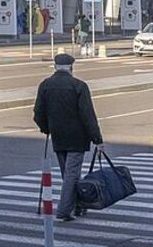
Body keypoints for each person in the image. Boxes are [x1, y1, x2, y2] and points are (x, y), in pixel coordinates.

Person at [32, 52, 103, 222]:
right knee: (72, 175)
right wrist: (97, 139)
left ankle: (77, 205)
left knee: (69, 174)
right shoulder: (79, 85)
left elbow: (38, 112)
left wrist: (46, 128)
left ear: (55, 67)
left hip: (58, 136)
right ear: (71, 67)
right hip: (77, 138)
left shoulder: (45, 85)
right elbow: (88, 115)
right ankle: (64, 210)